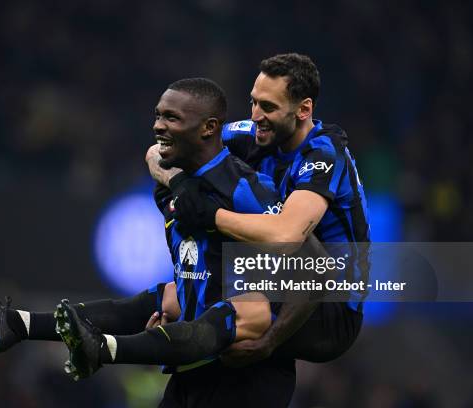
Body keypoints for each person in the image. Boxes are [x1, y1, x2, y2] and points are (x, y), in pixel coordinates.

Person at [0, 78, 310, 407]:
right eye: (158, 116)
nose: (158, 126)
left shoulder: (246, 188)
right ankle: (15, 324)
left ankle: (101, 349)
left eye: (171, 118)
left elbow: (306, 260)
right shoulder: (168, 187)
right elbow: (159, 167)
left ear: (208, 128)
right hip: (192, 367)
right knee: (158, 297)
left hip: (246, 376)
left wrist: (271, 336)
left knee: (201, 304)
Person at [147, 53, 369, 365]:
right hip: (279, 273)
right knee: (169, 297)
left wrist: (210, 216)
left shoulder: (323, 155)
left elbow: (286, 236)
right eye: (253, 102)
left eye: (268, 107)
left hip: (329, 306)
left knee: (200, 309)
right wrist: (182, 185)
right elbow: (159, 151)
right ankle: (105, 343)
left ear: (304, 109)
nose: (255, 115)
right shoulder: (250, 133)